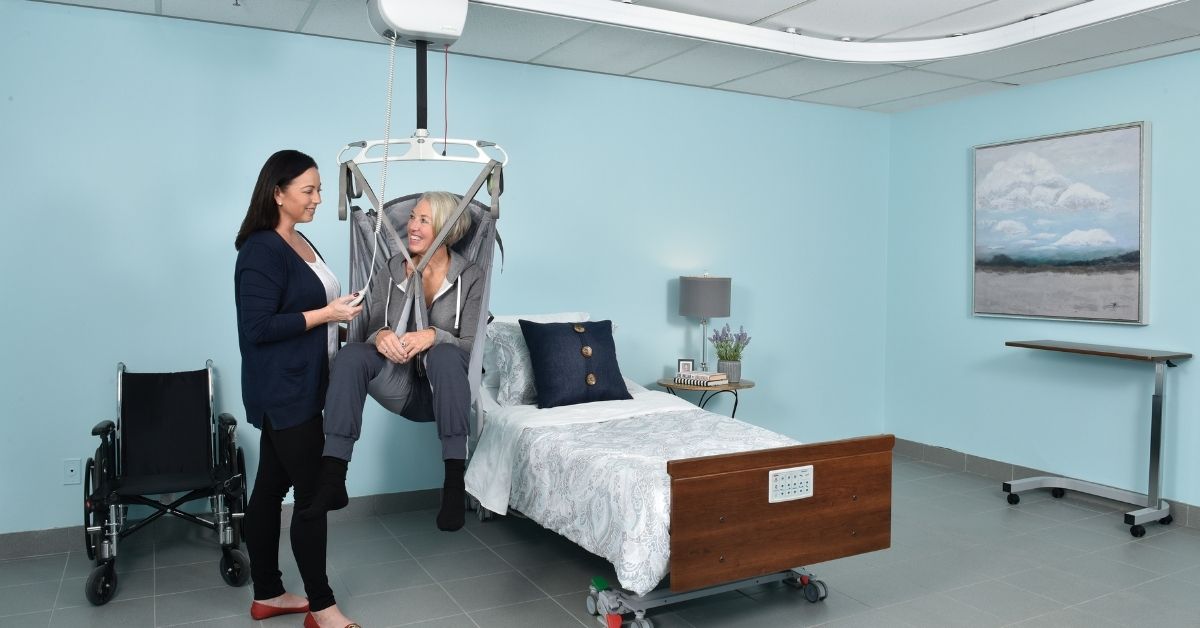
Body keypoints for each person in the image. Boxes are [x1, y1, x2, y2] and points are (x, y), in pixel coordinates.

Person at [300, 191, 483, 532]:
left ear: (446, 229)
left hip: (446, 390)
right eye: (412, 217)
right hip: (398, 386)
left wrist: (432, 335)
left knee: (445, 353)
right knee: (352, 353)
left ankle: (454, 486)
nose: (411, 226)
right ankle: (333, 476)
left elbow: (471, 345)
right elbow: (369, 327)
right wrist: (381, 335)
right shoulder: (391, 268)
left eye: (423, 220)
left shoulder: (470, 276)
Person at [234, 149, 362, 628]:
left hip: (309, 385)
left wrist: (342, 312)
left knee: (269, 488)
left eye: (319, 188)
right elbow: (258, 327)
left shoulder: (301, 241)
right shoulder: (261, 250)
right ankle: (323, 608)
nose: (317, 198)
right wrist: (327, 315)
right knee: (313, 495)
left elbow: (312, 306)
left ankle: (267, 594)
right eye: (308, 190)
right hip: (285, 393)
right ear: (278, 193)